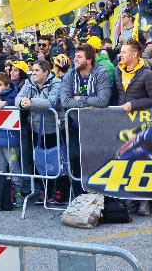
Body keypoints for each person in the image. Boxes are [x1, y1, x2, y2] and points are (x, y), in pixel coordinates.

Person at [114, 39, 152, 217]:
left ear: (134, 54)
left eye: (124, 52)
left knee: (143, 160)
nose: (120, 54)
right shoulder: (117, 71)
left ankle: (144, 201)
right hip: (124, 123)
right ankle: (130, 198)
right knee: (127, 159)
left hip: (143, 123)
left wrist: (134, 104)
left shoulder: (147, 74)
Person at [61, 43, 113, 195]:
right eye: (75, 56)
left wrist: (80, 99)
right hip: (76, 124)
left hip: (97, 125)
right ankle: (78, 194)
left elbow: (103, 100)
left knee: (97, 157)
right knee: (75, 157)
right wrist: (88, 101)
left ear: (89, 60)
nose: (75, 59)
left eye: (79, 57)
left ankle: (98, 193)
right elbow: (64, 101)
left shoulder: (101, 73)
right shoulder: (70, 75)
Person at [16, 59, 63, 204]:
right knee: (40, 161)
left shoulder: (56, 83)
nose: (33, 73)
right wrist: (22, 103)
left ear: (45, 72)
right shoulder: (29, 83)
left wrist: (31, 102)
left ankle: (60, 190)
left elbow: (52, 101)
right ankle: (44, 190)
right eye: (33, 70)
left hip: (54, 129)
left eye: (36, 70)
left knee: (57, 160)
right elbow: (18, 98)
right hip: (36, 129)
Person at [0, 72, 23, 207]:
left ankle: (18, 192)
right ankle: (1, 192)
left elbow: (16, 101)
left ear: (7, 85)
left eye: (0, 85)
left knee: (14, 167)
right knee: (0, 167)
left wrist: (5, 102)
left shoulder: (13, 93)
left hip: (11, 139)